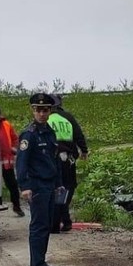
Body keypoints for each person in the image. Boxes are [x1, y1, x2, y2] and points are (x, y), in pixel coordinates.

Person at [16, 93, 62, 266]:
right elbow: (21, 163)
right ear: (32, 110)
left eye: (45, 110)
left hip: (50, 184)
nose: (41, 114)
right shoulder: (30, 134)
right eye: (38, 110)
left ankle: (41, 262)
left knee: (47, 224)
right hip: (37, 185)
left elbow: (54, 159)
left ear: (50, 111)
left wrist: (58, 183)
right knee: (39, 225)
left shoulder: (49, 131)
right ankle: (37, 265)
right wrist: (25, 186)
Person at [48, 94, 89, 232]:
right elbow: (78, 134)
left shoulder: (45, 119)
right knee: (68, 187)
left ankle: (59, 220)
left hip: (51, 159)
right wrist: (84, 150)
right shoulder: (68, 117)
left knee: (56, 188)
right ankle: (65, 219)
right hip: (69, 159)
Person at [0, 104, 23, 216]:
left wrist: (13, 150)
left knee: (12, 185)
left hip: (7, 163)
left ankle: (16, 206)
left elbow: (14, 138)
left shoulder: (6, 124)